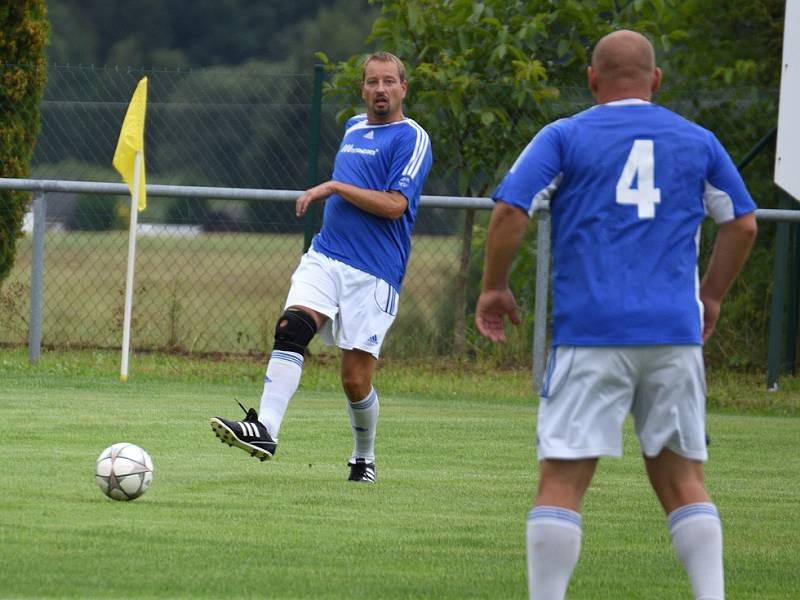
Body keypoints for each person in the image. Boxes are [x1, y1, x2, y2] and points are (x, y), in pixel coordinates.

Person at [475, 30, 757, 599]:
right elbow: (742, 222)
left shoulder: (564, 136)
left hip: (590, 332)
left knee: (560, 481)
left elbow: (510, 209)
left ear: (592, 80)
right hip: (673, 336)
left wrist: (493, 288)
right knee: (684, 481)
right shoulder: (698, 141)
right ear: (655, 81)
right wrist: (712, 294)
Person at [211, 51, 432, 483]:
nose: (381, 90)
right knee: (292, 328)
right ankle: (265, 430)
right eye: (372, 82)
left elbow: (394, 205)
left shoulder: (411, 138)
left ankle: (363, 458)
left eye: (389, 82)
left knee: (354, 380)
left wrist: (333, 187)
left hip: (374, 272)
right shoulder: (352, 127)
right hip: (326, 255)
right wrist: (337, 190)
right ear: (363, 88)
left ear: (404, 88)